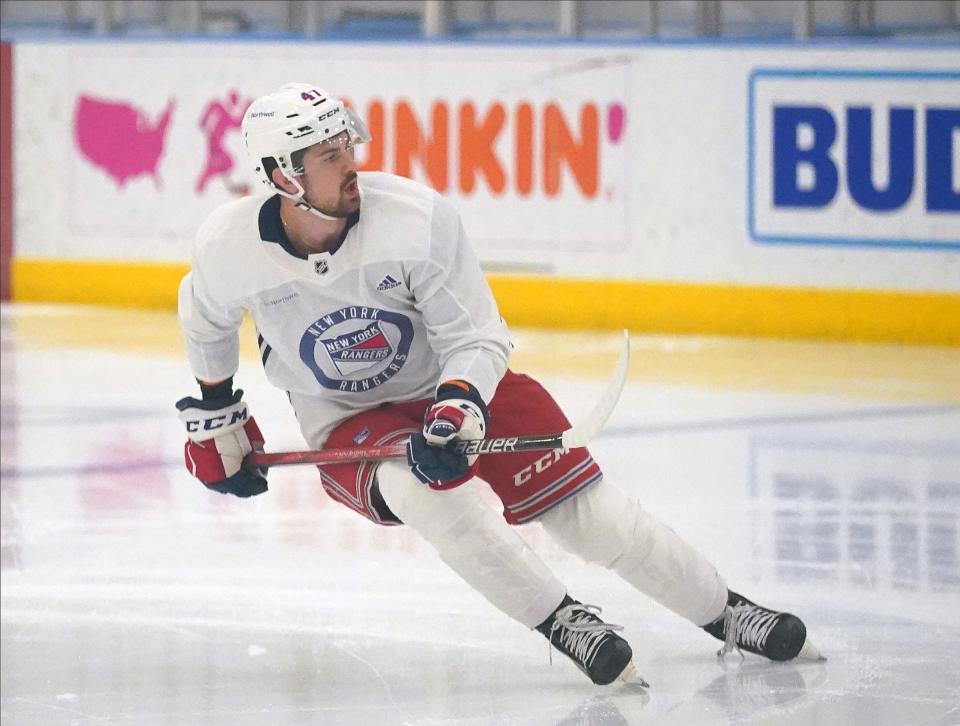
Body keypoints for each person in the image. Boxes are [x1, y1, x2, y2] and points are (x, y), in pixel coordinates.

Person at [175, 83, 820, 687]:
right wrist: (218, 416)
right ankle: (564, 620)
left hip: (452, 384)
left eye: (348, 143)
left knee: (594, 520)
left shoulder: (414, 219)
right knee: (420, 487)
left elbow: (477, 336)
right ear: (285, 176)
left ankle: (726, 611)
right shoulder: (227, 247)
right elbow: (204, 317)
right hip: (344, 413)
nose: (351, 161)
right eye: (329, 153)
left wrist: (456, 409)